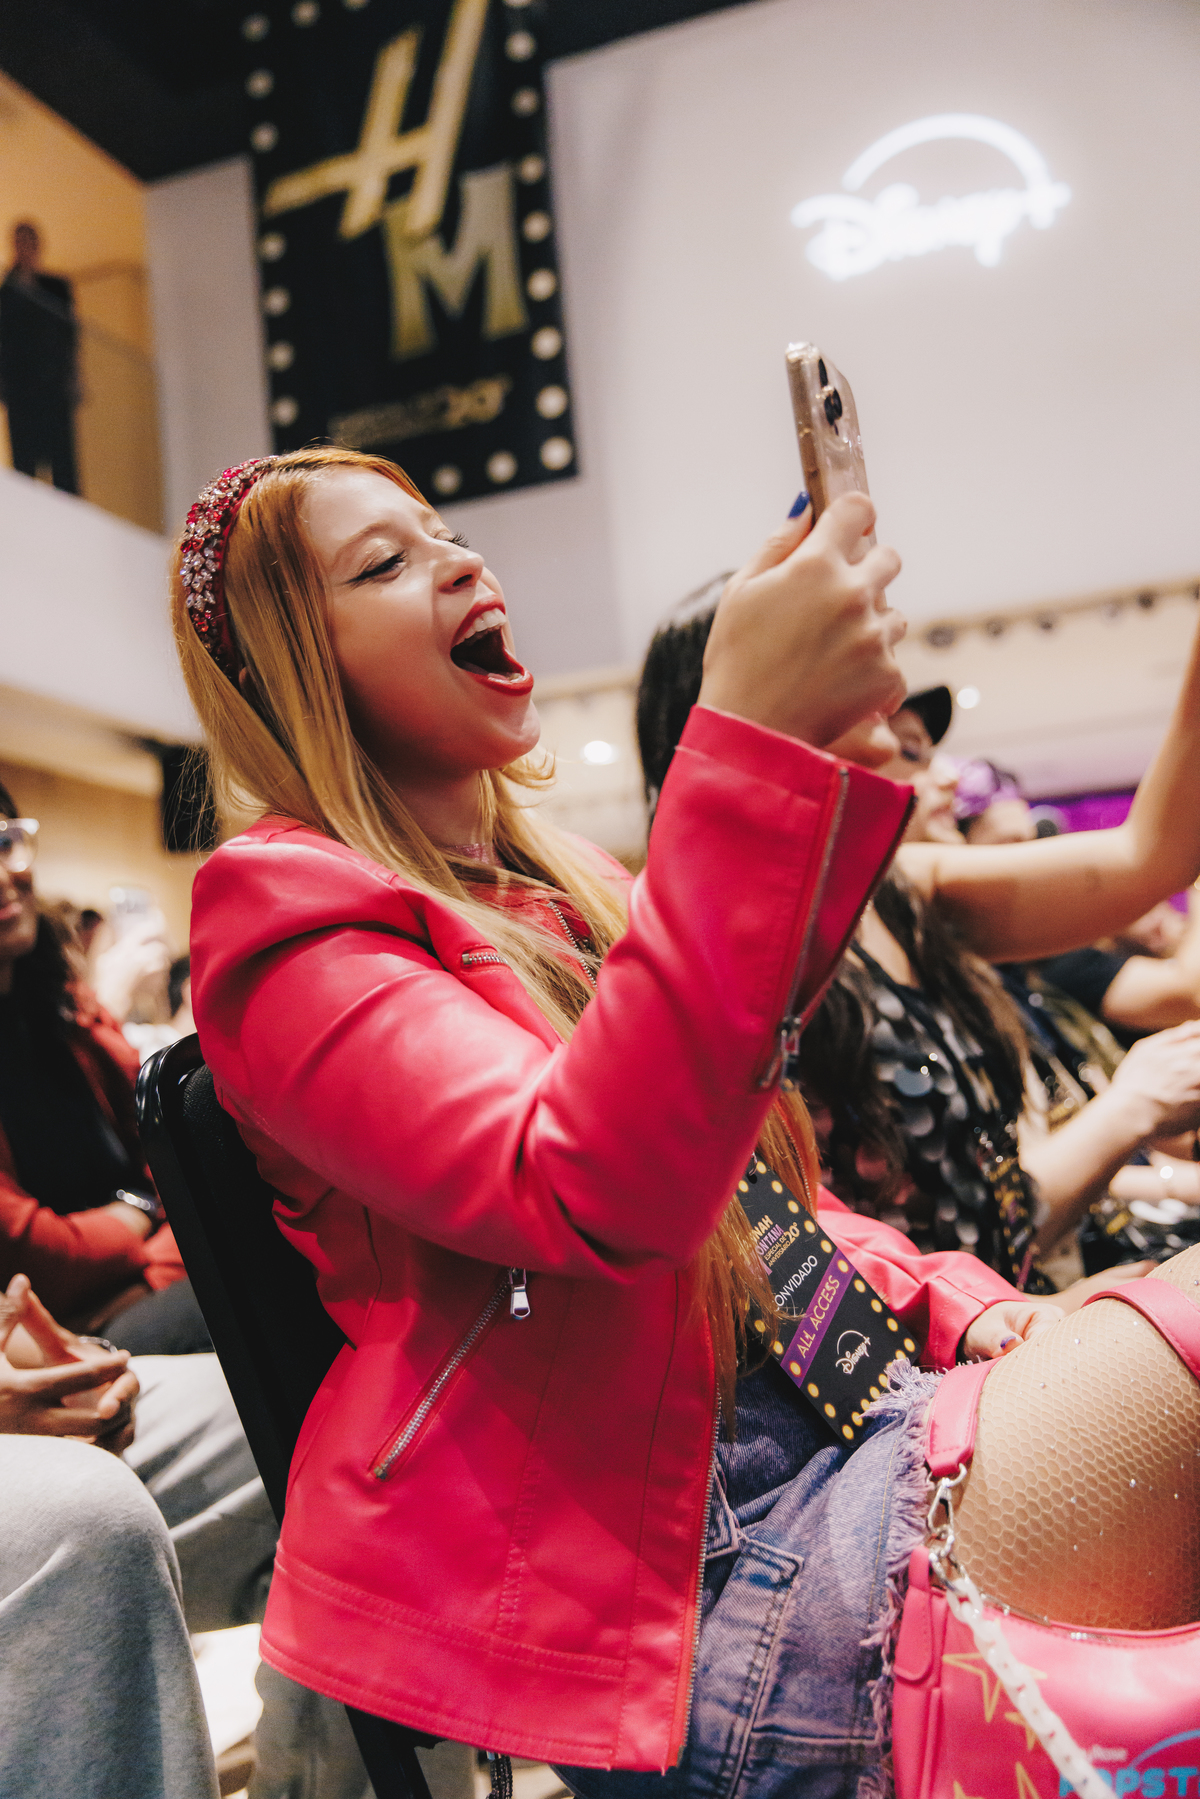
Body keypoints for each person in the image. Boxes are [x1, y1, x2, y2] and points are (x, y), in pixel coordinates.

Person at [169, 451, 1200, 1799]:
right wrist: (752, 742)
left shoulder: (565, 886)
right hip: (701, 1581)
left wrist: (963, 1300)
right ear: (291, 668)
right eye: (386, 562)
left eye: (446, 530)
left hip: (856, 1426)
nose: (463, 560)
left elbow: (768, 1200)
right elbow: (586, 1187)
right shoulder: (279, 912)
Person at [637, 596, 1200, 1294]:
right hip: (936, 1344)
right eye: (838, 656)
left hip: (1009, 1307)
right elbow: (814, 1266)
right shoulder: (714, 943)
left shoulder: (895, 883)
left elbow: (1150, 856)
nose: (885, 688)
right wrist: (1131, 1110)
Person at [0, 787, 207, 1348]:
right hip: (50, 1329)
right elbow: (38, 1258)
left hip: (134, 1285)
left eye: (5, 842)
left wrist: (147, 1270)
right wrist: (144, 1217)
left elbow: (173, 1156)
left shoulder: (65, 1006)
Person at [0, 221, 79, 494]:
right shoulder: (7, 293)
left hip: (53, 386)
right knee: (25, 464)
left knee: (62, 463)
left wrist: (73, 377)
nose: (24, 248)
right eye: (19, 242)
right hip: (20, 387)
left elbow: (69, 336)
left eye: (29, 242)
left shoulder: (56, 288)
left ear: (37, 246)